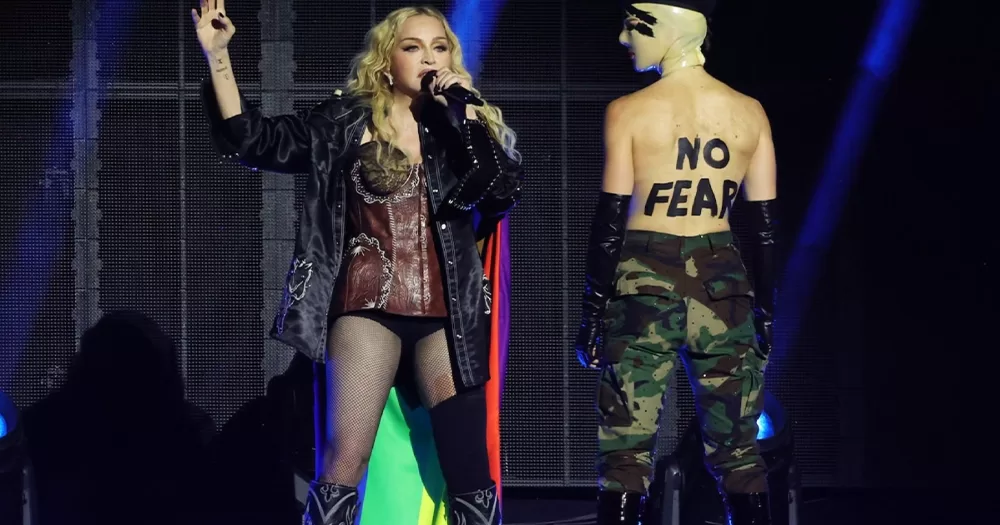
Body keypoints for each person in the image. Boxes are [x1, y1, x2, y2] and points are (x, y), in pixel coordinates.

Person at [192, 2, 522, 524]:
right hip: (369, 308)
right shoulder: (344, 121)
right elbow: (252, 139)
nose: (429, 58)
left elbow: (502, 191)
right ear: (387, 60)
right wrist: (218, 57)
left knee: (468, 467)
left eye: (440, 48)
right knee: (347, 458)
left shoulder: (461, 127)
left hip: (447, 314)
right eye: (413, 47)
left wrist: (466, 116)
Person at [574, 1, 776, 524]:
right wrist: (766, 309)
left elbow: (610, 220)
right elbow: (762, 228)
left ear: (670, 30)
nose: (624, 38)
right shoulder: (750, 112)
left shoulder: (629, 111)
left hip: (644, 279)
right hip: (724, 280)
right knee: (738, 449)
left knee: (625, 450)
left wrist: (593, 309)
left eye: (636, 26)